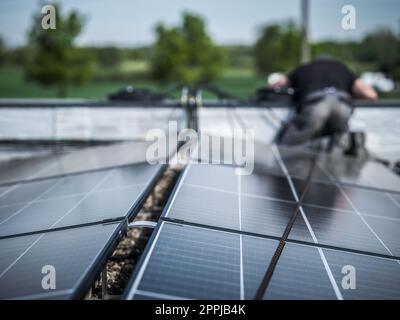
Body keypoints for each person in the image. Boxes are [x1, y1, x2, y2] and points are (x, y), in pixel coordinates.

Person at [270, 57, 378, 148]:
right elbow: (370, 94)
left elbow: (277, 85)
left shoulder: (303, 68)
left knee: (293, 141)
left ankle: (282, 160)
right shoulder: (342, 68)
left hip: (317, 104)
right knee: (337, 144)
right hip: (342, 104)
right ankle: (349, 144)